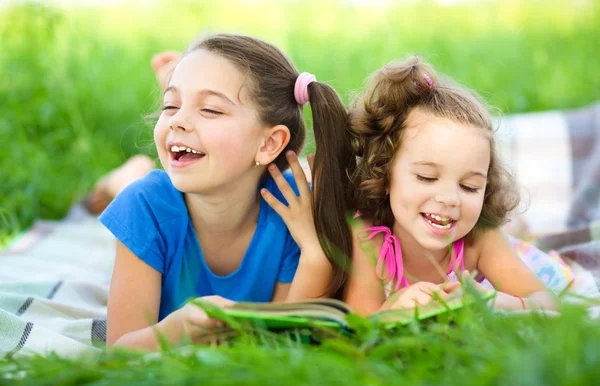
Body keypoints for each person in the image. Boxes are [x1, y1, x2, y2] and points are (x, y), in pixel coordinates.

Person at [99, 33, 349, 351]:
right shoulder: (144, 206)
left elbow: (286, 344)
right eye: (170, 105)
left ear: (269, 143)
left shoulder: (294, 216)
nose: (176, 120)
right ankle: (123, 173)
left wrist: (314, 252)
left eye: (211, 110)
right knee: (132, 182)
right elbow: (118, 351)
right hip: (154, 186)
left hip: (249, 170)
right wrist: (177, 329)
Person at [321, 56, 559, 315]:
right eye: (426, 177)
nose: (449, 199)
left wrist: (493, 300)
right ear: (384, 172)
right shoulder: (368, 239)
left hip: (508, 254)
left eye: (469, 186)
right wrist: (394, 308)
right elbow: (361, 325)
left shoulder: (479, 239)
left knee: (512, 231)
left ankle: (519, 229)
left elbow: (550, 304)